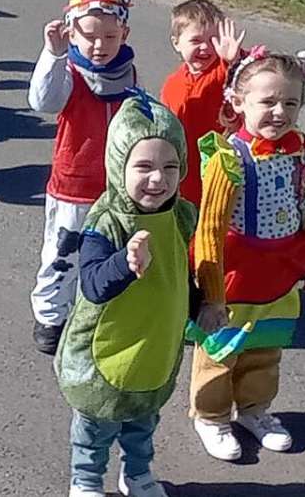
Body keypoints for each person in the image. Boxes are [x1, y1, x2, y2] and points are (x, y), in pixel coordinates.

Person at [55, 92, 207, 497]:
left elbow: (178, 274)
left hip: (154, 348)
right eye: (144, 167)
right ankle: (86, 480)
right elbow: (92, 284)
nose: (158, 179)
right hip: (109, 348)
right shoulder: (107, 220)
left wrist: (201, 305)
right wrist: (125, 262)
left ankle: (137, 474)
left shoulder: (179, 216)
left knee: (143, 422)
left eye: (170, 166)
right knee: (96, 426)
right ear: (118, 165)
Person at [186, 49, 305, 460]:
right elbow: (210, 228)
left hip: (279, 266)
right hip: (236, 269)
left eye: (290, 103)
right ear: (238, 102)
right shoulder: (229, 158)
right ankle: (211, 416)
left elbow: (303, 201)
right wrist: (212, 293)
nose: (279, 112)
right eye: (267, 101)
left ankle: (254, 409)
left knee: (266, 345)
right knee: (222, 347)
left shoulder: (297, 149)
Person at [27, 0, 136, 356]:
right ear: (72, 33)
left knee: (108, 253)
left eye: (109, 36)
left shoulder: (126, 70)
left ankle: (97, 313)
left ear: (124, 33)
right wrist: (53, 55)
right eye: (89, 36)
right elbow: (43, 101)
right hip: (73, 185)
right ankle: (51, 315)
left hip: (116, 185)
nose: (99, 45)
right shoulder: (70, 72)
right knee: (62, 255)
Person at [159, 0, 244, 204]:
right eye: (196, 40)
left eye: (213, 40)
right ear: (176, 43)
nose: (205, 47)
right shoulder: (172, 83)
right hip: (183, 172)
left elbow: (248, 77)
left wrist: (233, 61)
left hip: (219, 170)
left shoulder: (223, 71)